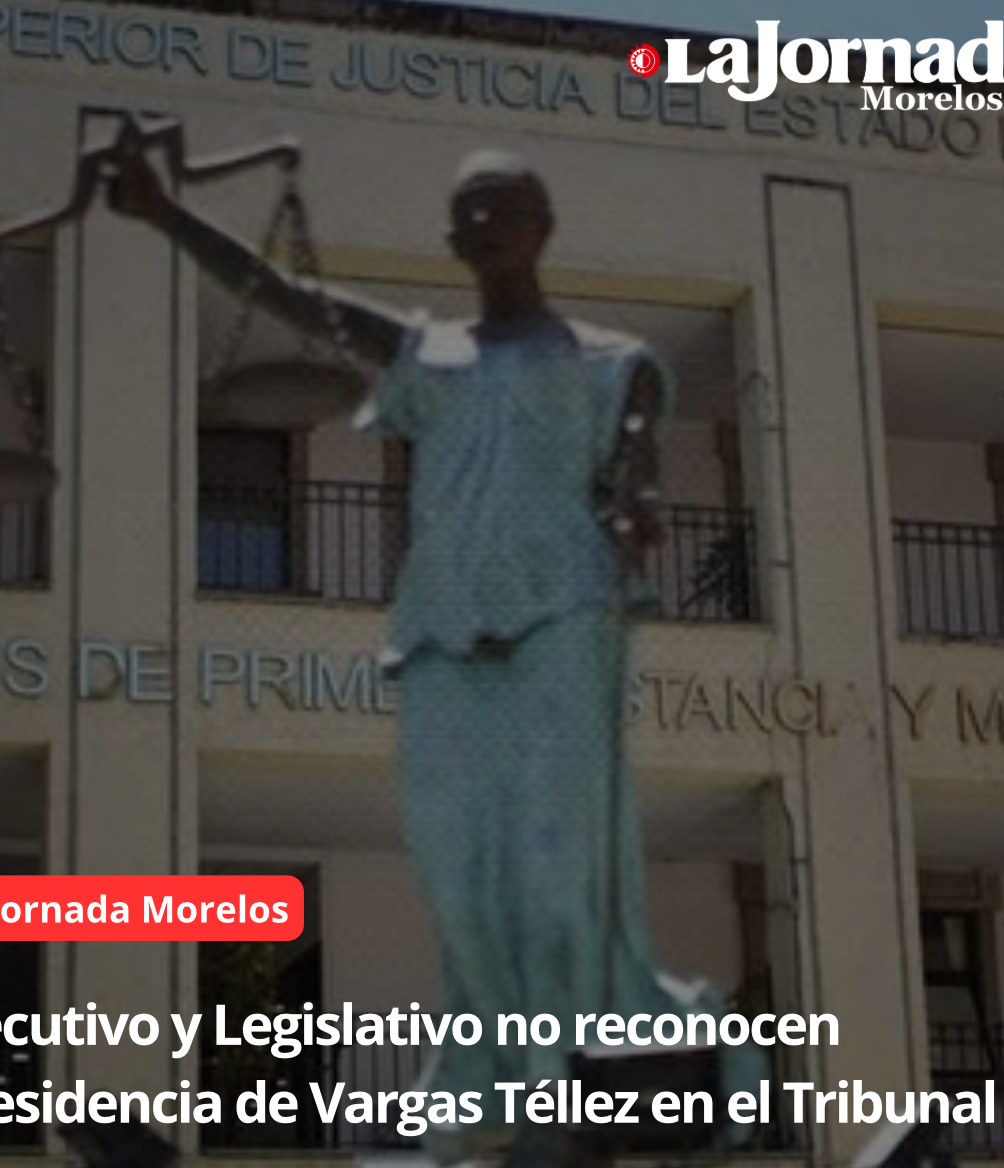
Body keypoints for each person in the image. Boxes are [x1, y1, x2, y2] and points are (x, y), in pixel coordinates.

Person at [106, 138, 748, 1167]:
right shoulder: (424, 354)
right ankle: (487, 1081)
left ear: (542, 227)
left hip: (565, 611)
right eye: (470, 212)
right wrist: (164, 214)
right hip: (443, 620)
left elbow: (636, 469)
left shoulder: (613, 361)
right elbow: (289, 296)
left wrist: (637, 505)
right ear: (452, 239)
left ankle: (568, 1081)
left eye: (505, 206)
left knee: (556, 860)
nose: (487, 225)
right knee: (456, 865)